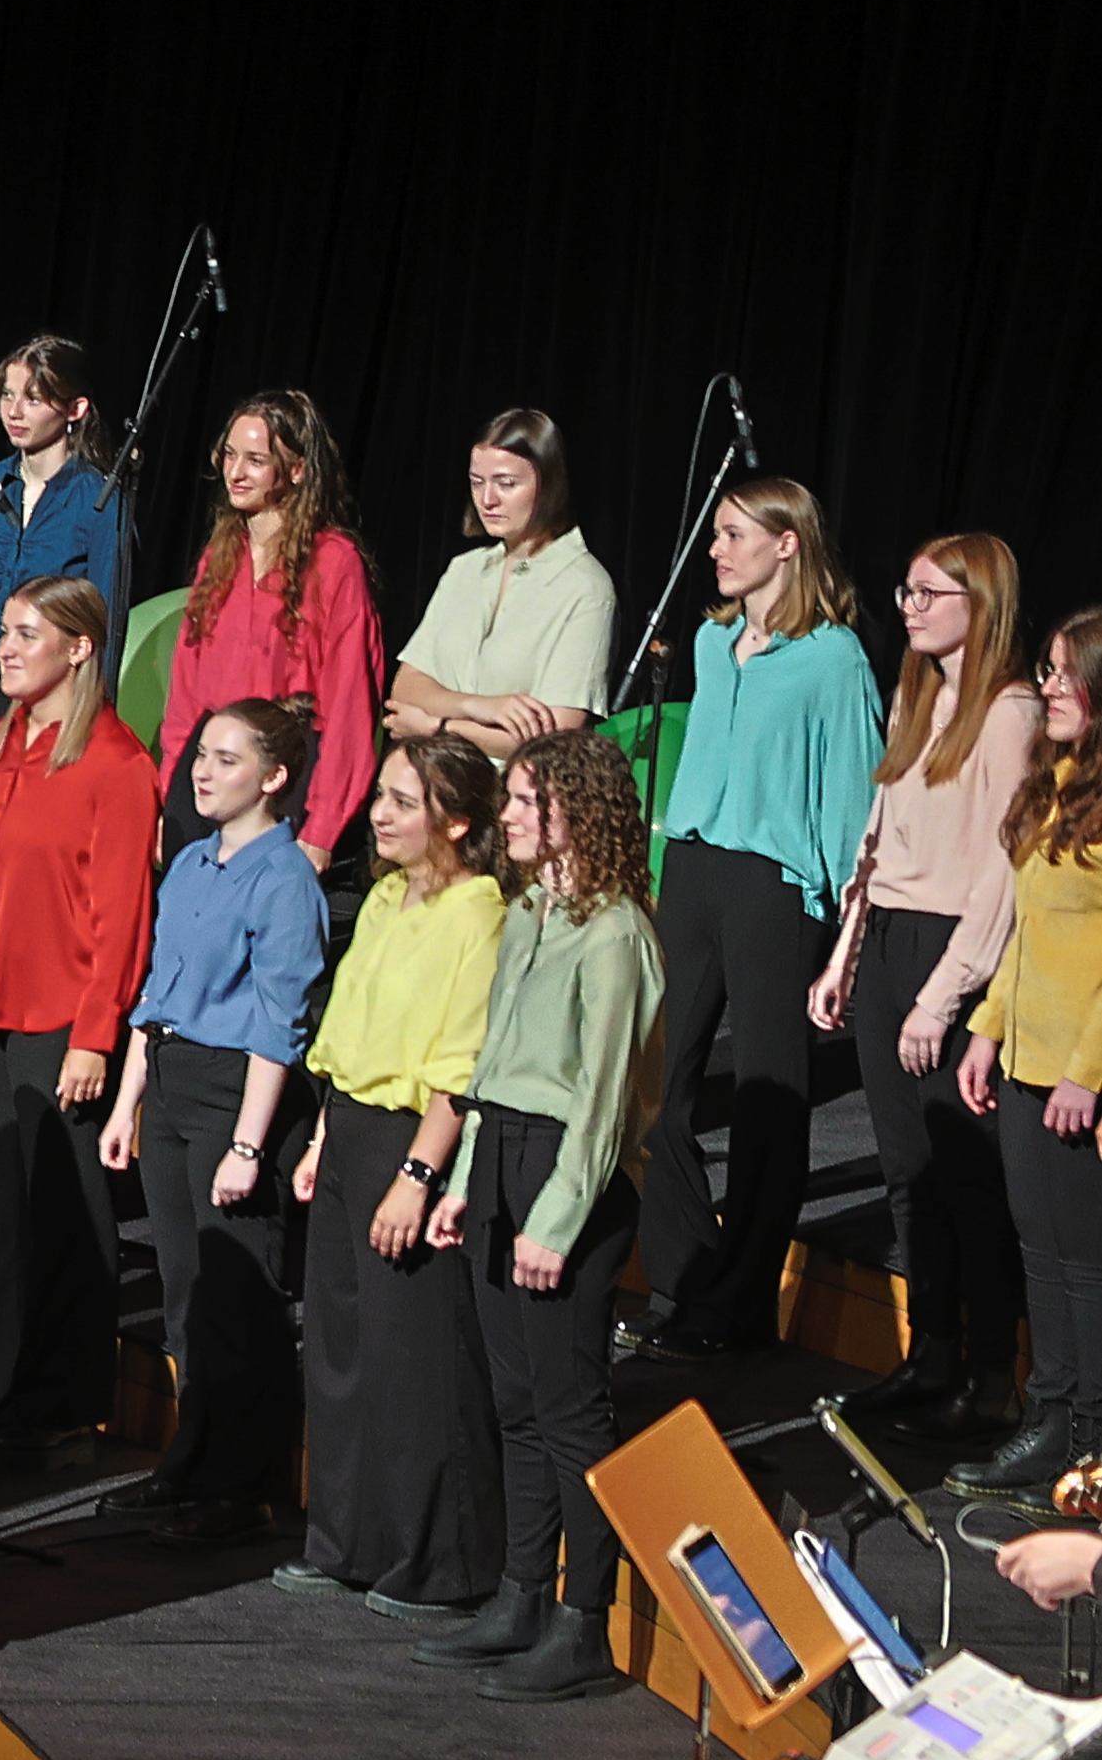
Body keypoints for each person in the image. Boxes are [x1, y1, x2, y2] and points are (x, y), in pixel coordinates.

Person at [407, 730, 664, 1703]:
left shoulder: (616, 933)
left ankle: (580, 1622)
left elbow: (601, 1101)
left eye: (525, 800)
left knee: (566, 1409)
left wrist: (552, 1220)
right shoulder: (526, 915)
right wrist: (467, 1179)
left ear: (575, 814)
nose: (506, 813)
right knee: (513, 1404)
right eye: (510, 797)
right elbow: (489, 1072)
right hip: (506, 1160)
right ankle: (521, 1593)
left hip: (572, 1179)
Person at [631, 476, 885, 1358]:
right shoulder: (709, 641)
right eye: (715, 534)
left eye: (733, 533)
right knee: (653, 1080)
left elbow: (855, 807)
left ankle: (737, 1305)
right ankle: (687, 1274)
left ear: (786, 543)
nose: (715, 548)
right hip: (693, 870)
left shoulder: (834, 658)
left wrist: (846, 942)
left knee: (769, 1100)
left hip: (777, 884)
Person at [285, 732, 513, 1620]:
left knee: (418, 1357)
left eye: (401, 802)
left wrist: (419, 1172)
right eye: (378, 795)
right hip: (347, 1127)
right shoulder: (382, 897)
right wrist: (317, 1142)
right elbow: (343, 1028)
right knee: (340, 1349)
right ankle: (346, 1542)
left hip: (412, 1140)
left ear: (455, 822)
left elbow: (460, 1059)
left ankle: (441, 1561)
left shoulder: (481, 909)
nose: (377, 814)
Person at [0, 573, 159, 1464]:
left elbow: (120, 914)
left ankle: (60, 1402)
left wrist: (95, 1035)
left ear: (77, 647)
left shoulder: (115, 763)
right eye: (3, 631)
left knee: (60, 1215)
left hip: (57, 1018)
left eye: (26, 632)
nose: (7, 647)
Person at [100, 697, 330, 1543]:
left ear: (273, 776)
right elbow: (156, 995)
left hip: (236, 1089)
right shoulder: (193, 861)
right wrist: (129, 1101)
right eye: (200, 753)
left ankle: (242, 1483)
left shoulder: (285, 878)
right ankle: (188, 1460)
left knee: (239, 1297)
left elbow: (279, 1022)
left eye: (226, 759)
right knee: (184, 1291)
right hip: (168, 1076)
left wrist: (246, 1141)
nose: (202, 770)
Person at [826, 538, 1037, 1446]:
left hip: (953, 953)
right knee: (907, 1172)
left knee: (965, 1178)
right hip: (887, 940)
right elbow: (878, 840)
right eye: (903, 586)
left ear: (978, 600)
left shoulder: (1009, 710)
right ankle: (929, 1354)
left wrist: (940, 996)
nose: (907, 604)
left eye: (927, 590)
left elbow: (1004, 866)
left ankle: (993, 1379)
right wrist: (843, 956)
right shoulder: (916, 696)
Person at [967, 615, 1102, 1501]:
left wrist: (1084, 1072)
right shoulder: (1054, 786)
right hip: (1024, 1061)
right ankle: (1049, 1419)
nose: (1046, 686)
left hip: (1076, 1074)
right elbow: (1024, 936)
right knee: (1039, 1254)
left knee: (1084, 1264)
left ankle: (1089, 1444)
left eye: (1063, 674)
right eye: (1046, 670)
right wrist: (985, 1027)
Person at [158, 390, 385, 855]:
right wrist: (169, 794)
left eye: (256, 460)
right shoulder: (220, 557)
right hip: (212, 770)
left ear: (297, 470)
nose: (236, 473)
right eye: (230, 455)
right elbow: (185, 694)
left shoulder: (334, 563)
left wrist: (320, 830)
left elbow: (349, 709)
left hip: (284, 773)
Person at [384, 407, 613, 751]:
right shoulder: (464, 570)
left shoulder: (585, 587)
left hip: (513, 794)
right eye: (478, 483)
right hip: (431, 785)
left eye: (506, 484)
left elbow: (557, 738)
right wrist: (479, 706)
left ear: (548, 484)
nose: (487, 499)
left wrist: (439, 726)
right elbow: (405, 688)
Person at [0, 342, 117, 752]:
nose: (14, 411)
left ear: (75, 409)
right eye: (8, 395)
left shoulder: (100, 500)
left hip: (53, 679)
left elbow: (106, 618)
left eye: (32, 398)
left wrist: (95, 707)